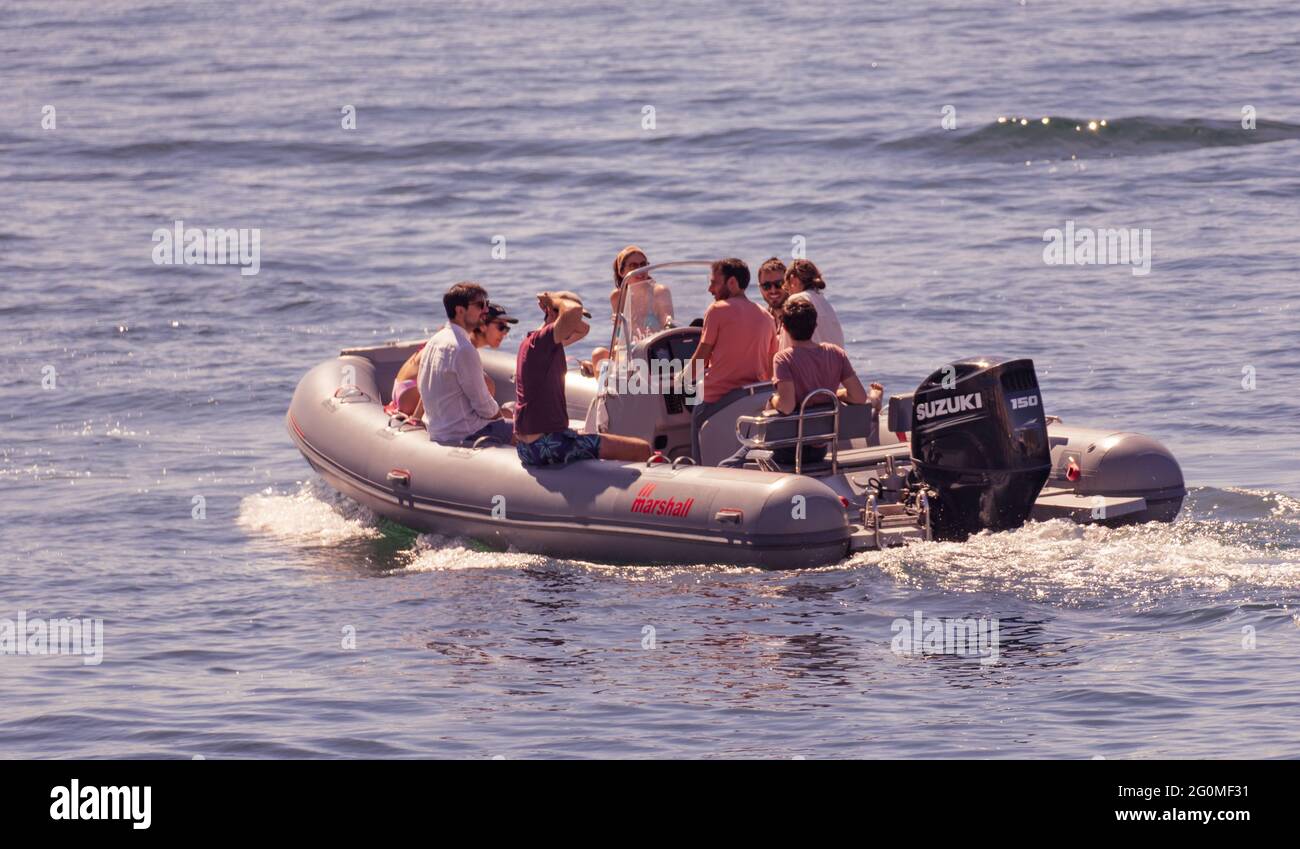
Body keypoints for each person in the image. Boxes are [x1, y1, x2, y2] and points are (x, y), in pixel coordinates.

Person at [720, 298, 882, 468]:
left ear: (784, 327)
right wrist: (836, 394)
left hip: (786, 449)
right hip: (820, 449)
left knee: (727, 466)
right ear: (815, 324)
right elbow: (859, 397)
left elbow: (787, 406)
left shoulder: (784, 358)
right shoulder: (836, 353)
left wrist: (773, 399)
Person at [515, 290, 652, 466]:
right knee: (642, 449)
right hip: (546, 444)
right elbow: (572, 315)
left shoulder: (539, 343)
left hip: (532, 445)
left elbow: (583, 329)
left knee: (589, 436)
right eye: (572, 319)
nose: (575, 324)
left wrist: (562, 312)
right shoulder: (542, 341)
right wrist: (553, 301)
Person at [686, 257, 778, 463]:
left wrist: (677, 381)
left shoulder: (717, 310)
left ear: (732, 282)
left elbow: (701, 357)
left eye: (714, 282)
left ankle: (698, 468)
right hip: (753, 400)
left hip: (716, 401)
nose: (710, 289)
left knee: (695, 412)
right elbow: (771, 368)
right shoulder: (767, 317)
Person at [416, 282, 514, 445]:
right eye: (480, 305)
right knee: (530, 432)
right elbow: (484, 406)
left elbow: (422, 387)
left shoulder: (434, 341)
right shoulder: (463, 349)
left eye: (487, 304)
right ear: (460, 310)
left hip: (439, 431)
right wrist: (501, 420)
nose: (485, 310)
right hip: (466, 432)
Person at [388, 301, 517, 419]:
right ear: (483, 325)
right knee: (487, 386)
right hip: (410, 395)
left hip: (404, 389)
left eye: (507, 328)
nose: (505, 333)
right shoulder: (459, 345)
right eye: (501, 327)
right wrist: (417, 417)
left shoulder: (456, 338)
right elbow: (433, 378)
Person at [582, 246, 675, 377]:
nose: (640, 269)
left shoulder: (659, 291)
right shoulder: (617, 296)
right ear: (622, 272)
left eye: (643, 264)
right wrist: (619, 326)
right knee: (598, 354)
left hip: (654, 352)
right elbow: (619, 340)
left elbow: (668, 322)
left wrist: (669, 321)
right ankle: (604, 387)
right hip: (629, 354)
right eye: (633, 266)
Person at [780, 259, 845, 349]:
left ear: (793, 280)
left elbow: (785, 349)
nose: (789, 294)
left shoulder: (796, 301)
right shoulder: (825, 303)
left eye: (787, 289)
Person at [756, 256, 788, 335]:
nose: (773, 290)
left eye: (779, 284)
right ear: (760, 288)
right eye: (766, 286)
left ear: (788, 284)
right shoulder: (763, 320)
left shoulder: (799, 316)